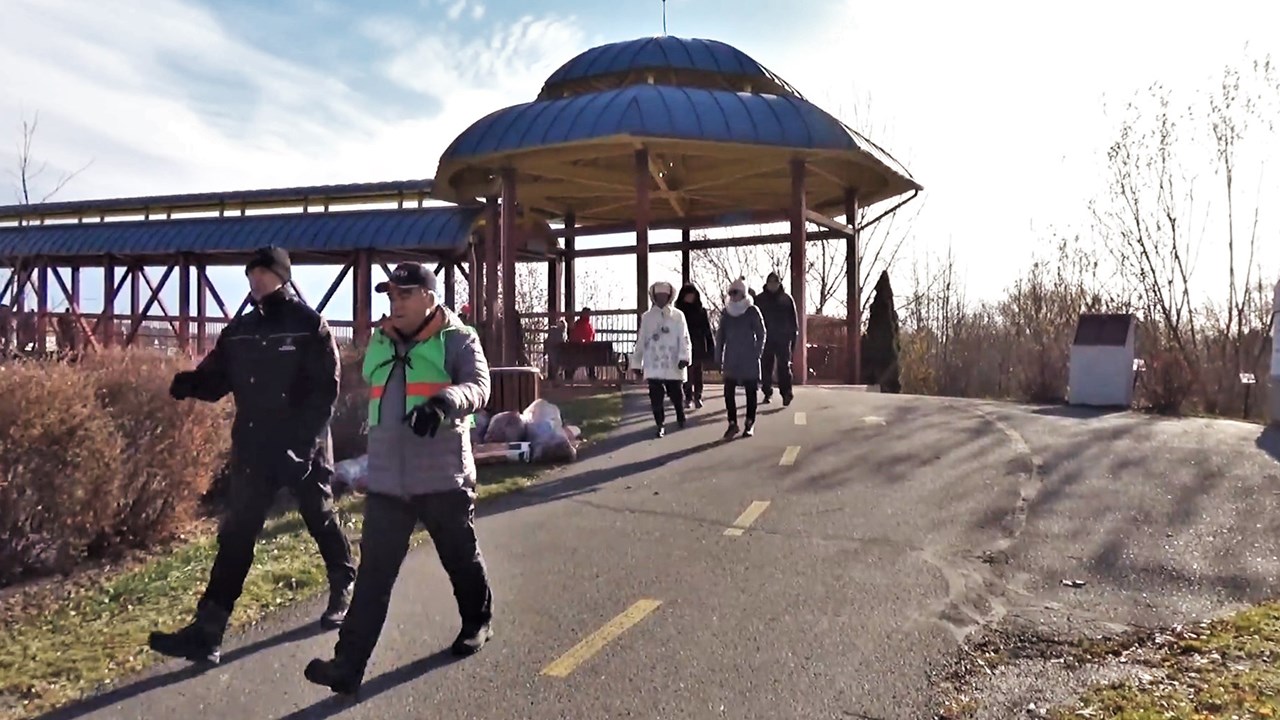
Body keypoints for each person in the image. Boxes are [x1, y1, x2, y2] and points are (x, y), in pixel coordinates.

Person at [149, 246, 356, 665]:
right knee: (237, 535)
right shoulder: (240, 332)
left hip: (302, 446)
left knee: (319, 516)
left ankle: (344, 585)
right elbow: (216, 379)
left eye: (264, 272)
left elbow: (325, 391)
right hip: (254, 448)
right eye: (251, 273)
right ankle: (207, 633)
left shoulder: (309, 326)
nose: (256, 279)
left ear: (283, 276)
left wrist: (302, 444)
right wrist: (190, 384)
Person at [305, 261, 493, 696]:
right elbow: (366, 390)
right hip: (388, 479)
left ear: (429, 297)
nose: (396, 303)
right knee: (374, 574)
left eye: (405, 294)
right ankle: (347, 666)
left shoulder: (458, 338)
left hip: (442, 474)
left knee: (459, 557)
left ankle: (478, 621)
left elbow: (479, 386)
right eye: (391, 295)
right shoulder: (380, 340)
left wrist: (443, 402)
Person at [631, 281, 692, 438]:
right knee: (655, 396)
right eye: (658, 296)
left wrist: (684, 356)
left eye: (664, 295)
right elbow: (641, 340)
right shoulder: (647, 317)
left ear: (670, 296)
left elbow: (684, 337)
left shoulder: (678, 316)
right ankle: (660, 424)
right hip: (654, 361)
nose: (661, 298)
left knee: (676, 393)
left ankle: (680, 415)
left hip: (673, 361)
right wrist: (636, 362)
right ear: (653, 297)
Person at [716, 278, 767, 439]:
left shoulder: (752, 311)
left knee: (751, 392)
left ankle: (750, 422)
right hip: (731, 357)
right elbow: (720, 336)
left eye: (736, 292)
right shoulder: (726, 312)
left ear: (743, 293)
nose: (733, 296)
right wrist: (718, 357)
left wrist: (757, 353)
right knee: (728, 392)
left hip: (748, 357)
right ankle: (732, 423)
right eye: (731, 293)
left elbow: (761, 333)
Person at [755, 271, 798, 406]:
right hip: (765, 338)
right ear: (767, 284)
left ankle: (786, 393)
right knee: (766, 366)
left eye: (775, 283)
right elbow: (753, 319)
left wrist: (793, 338)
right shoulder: (760, 300)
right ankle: (767, 391)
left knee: (783, 367)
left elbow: (793, 320)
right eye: (770, 283)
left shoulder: (786, 299)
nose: (773, 285)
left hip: (782, 338)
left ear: (779, 284)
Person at [674, 283, 715, 410]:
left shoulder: (701, 311)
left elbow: (707, 329)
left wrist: (711, 345)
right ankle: (688, 397)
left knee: (697, 372)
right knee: (686, 372)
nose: (690, 297)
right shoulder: (678, 312)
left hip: (698, 344)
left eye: (692, 295)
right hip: (683, 343)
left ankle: (698, 396)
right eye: (687, 295)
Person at [568, 307, 597, 382]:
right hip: (583, 350)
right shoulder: (587, 325)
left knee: (576, 360)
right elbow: (590, 337)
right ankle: (592, 376)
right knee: (591, 357)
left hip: (578, 350)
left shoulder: (578, 324)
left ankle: (569, 376)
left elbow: (573, 337)